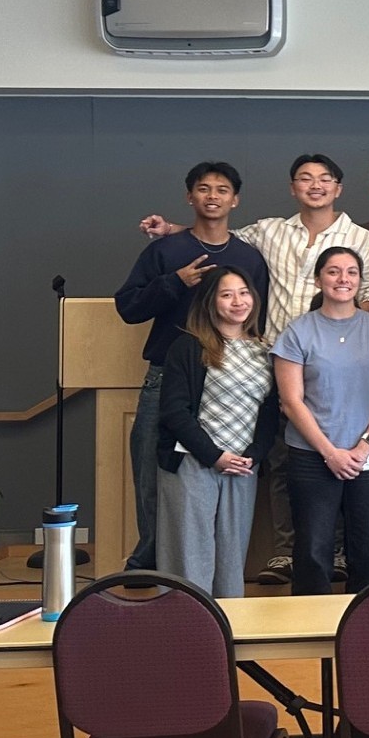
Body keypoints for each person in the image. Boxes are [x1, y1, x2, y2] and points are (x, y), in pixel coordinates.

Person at [139, 152, 369, 586]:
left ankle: (337, 553)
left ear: (339, 188)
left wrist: (339, 342)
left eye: (324, 179)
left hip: (337, 364)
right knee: (285, 456)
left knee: (327, 450)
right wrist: (174, 230)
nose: (315, 185)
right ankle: (287, 552)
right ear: (292, 187)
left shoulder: (364, 240)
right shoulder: (269, 231)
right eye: (305, 179)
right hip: (278, 357)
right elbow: (220, 234)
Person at [117, 161, 270, 574]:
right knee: (155, 473)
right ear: (190, 197)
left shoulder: (248, 256)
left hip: (232, 380)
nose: (213, 196)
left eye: (222, 189)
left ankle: (219, 580)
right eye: (204, 188)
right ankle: (149, 560)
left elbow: (259, 317)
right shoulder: (165, 251)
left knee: (222, 480)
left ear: (235, 199)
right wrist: (174, 282)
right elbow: (128, 307)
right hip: (169, 375)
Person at [272, 246, 369, 594]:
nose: (342, 279)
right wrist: (330, 452)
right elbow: (290, 400)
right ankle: (310, 632)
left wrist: (365, 445)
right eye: (333, 271)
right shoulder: (298, 331)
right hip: (312, 455)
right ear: (318, 279)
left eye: (351, 272)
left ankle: (364, 631)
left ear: (360, 281)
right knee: (314, 550)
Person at [156, 267, 278, 598]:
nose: (238, 301)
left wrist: (253, 456)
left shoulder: (266, 349)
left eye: (244, 292)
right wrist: (214, 456)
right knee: (190, 558)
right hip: (194, 461)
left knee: (231, 558)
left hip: (242, 466)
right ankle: (188, 637)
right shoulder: (188, 346)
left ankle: (228, 637)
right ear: (210, 302)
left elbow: (270, 413)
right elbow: (174, 412)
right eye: (227, 294)